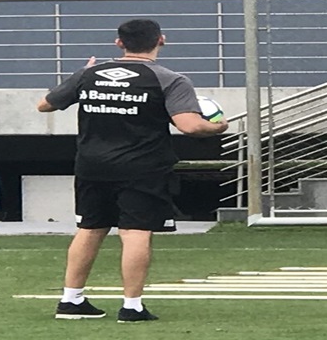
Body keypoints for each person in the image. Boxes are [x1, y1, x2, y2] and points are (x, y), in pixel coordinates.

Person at [37, 18, 228, 323]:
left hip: (91, 166)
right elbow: (190, 126)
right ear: (161, 40)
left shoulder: (89, 74)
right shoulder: (170, 79)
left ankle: (70, 301)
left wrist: (82, 76)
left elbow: (44, 105)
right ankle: (131, 306)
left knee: (89, 229)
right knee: (135, 232)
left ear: (119, 43)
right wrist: (217, 126)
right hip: (142, 168)